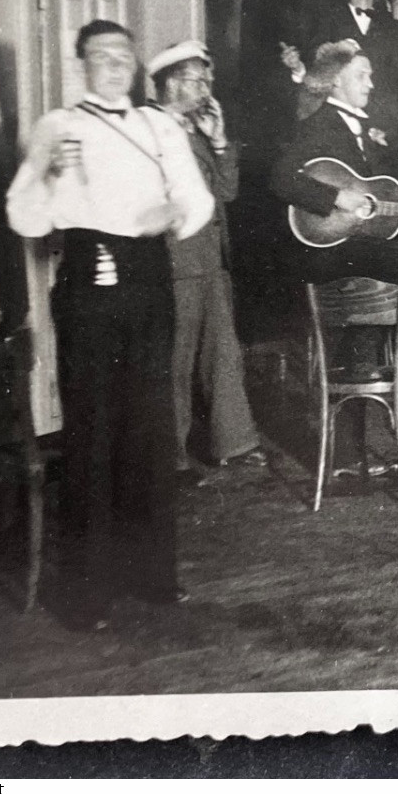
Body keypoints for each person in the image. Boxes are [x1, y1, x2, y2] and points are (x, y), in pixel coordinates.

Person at [6, 19, 215, 630]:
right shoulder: (59, 126)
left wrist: (171, 211)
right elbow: (23, 217)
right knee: (93, 430)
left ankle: (152, 575)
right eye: (101, 56)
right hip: (88, 284)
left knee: (151, 427)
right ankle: (86, 593)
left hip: (150, 281)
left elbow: (198, 203)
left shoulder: (157, 126)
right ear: (81, 64)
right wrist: (48, 172)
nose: (115, 65)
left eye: (125, 55)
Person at [147, 40, 265, 477]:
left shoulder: (195, 129)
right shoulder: (151, 126)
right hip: (175, 263)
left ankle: (234, 442)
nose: (206, 90)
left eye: (206, 80)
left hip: (210, 260)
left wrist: (218, 143)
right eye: (199, 81)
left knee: (222, 354)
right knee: (175, 363)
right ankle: (170, 458)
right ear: (172, 82)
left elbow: (226, 194)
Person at [269, 40, 398, 287]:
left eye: (370, 76)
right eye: (361, 76)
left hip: (359, 237)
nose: (370, 84)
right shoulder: (317, 125)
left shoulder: (367, 126)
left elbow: (383, 194)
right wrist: (335, 197)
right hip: (326, 247)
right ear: (337, 80)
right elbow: (280, 178)